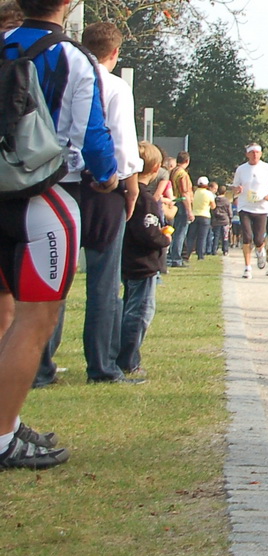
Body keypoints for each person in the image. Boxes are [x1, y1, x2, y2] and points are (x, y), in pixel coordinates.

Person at [0, 0, 119, 468]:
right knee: (36, 318)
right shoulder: (73, 59)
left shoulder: (3, 45)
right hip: (45, 198)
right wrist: (110, 174)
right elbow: (92, 138)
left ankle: (5, 423)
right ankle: (3, 436)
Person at [78, 21, 142, 384]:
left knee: (54, 278)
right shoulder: (115, 86)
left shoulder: (68, 76)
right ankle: (101, 364)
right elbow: (122, 140)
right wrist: (130, 185)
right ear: (114, 53)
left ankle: (41, 363)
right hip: (104, 186)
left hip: (66, 184)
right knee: (103, 281)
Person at [119, 141, 171, 379]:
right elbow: (148, 232)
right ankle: (128, 360)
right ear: (156, 168)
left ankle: (125, 356)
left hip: (128, 261)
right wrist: (164, 238)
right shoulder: (146, 200)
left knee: (129, 308)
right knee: (140, 313)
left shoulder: (125, 194)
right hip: (144, 264)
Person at [230, 143, 268, 272]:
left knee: (259, 239)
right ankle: (247, 267)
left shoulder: (267, 168)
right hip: (245, 206)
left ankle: (260, 251)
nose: (255, 155)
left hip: (261, 207)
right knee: (247, 237)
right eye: (252, 152)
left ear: (261, 154)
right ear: (247, 154)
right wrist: (237, 189)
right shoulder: (241, 169)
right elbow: (234, 187)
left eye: (257, 152)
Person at [187, 176, 214, 260]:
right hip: (205, 215)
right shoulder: (209, 193)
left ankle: (187, 253)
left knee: (191, 236)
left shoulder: (194, 192)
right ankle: (200, 255)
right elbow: (213, 206)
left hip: (194, 215)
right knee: (202, 237)